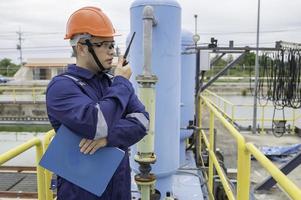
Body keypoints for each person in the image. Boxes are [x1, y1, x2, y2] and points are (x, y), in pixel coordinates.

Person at [46, 6, 149, 200]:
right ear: (82, 47)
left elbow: (142, 122)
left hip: (119, 187)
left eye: (113, 45)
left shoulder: (111, 83)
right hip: (81, 191)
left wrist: (107, 139)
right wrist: (122, 82)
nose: (113, 52)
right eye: (105, 45)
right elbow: (96, 124)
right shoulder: (62, 87)